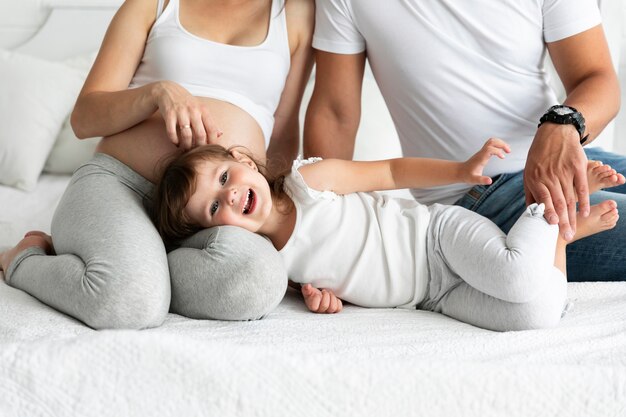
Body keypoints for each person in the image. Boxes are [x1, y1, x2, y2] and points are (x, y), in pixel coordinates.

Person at [0, 0, 314, 329]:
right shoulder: (155, 4)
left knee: (258, 278)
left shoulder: (295, 13)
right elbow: (84, 120)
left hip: (215, 216)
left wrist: (301, 247)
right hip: (121, 184)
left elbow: (283, 132)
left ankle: (139, 268)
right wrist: (157, 93)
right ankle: (23, 259)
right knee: (130, 304)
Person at [148, 138, 620, 331]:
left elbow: (391, 170)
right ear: (216, 235)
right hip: (429, 297)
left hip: (436, 239)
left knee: (515, 278)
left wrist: (459, 169)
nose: (228, 197)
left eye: (226, 178)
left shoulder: (309, 183)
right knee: (534, 315)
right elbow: (341, 277)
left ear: (246, 163)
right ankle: (560, 236)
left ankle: (546, 207)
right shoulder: (272, 265)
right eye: (213, 207)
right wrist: (325, 300)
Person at [304, 0, 625, 281]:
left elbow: (597, 78)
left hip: (564, 153)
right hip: (475, 198)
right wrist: (321, 236)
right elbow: (334, 113)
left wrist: (562, 124)